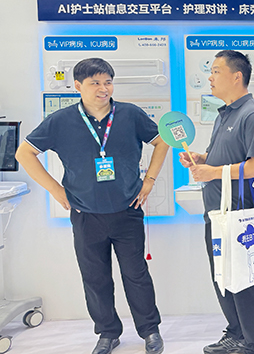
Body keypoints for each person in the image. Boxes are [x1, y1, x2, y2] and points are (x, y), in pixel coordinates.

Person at [16, 58, 168, 354]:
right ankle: (108, 333)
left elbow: (161, 142)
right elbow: (25, 153)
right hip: (85, 214)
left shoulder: (130, 114)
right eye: (95, 83)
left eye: (108, 82)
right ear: (78, 86)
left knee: (136, 274)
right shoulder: (61, 121)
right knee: (95, 278)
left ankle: (150, 330)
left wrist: (149, 180)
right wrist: (56, 190)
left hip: (127, 210)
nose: (103, 88)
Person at [179, 50, 254, 354]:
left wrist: (213, 171)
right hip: (218, 213)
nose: (210, 77)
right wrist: (202, 159)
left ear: (237, 76)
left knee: (248, 280)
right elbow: (228, 157)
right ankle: (236, 333)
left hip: (243, 214)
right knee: (224, 276)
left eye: (216, 71)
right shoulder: (225, 114)